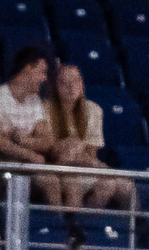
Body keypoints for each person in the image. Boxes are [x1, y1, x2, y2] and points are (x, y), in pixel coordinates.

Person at [44, 62, 129, 210]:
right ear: (55, 86)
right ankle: (72, 227)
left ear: (82, 84)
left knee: (124, 184)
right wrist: (74, 150)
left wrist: (76, 151)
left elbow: (91, 154)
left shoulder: (93, 110)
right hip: (55, 168)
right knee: (75, 185)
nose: (71, 87)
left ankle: (133, 227)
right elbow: (56, 155)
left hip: (84, 165)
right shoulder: (44, 109)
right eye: (65, 83)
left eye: (76, 81)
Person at [0, 44, 55, 191]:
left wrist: (19, 139)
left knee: (59, 180)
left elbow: (47, 141)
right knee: (49, 181)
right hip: (2, 163)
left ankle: (62, 215)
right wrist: (30, 154)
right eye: (42, 72)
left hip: (29, 164)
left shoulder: (35, 101)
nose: (44, 78)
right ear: (27, 69)